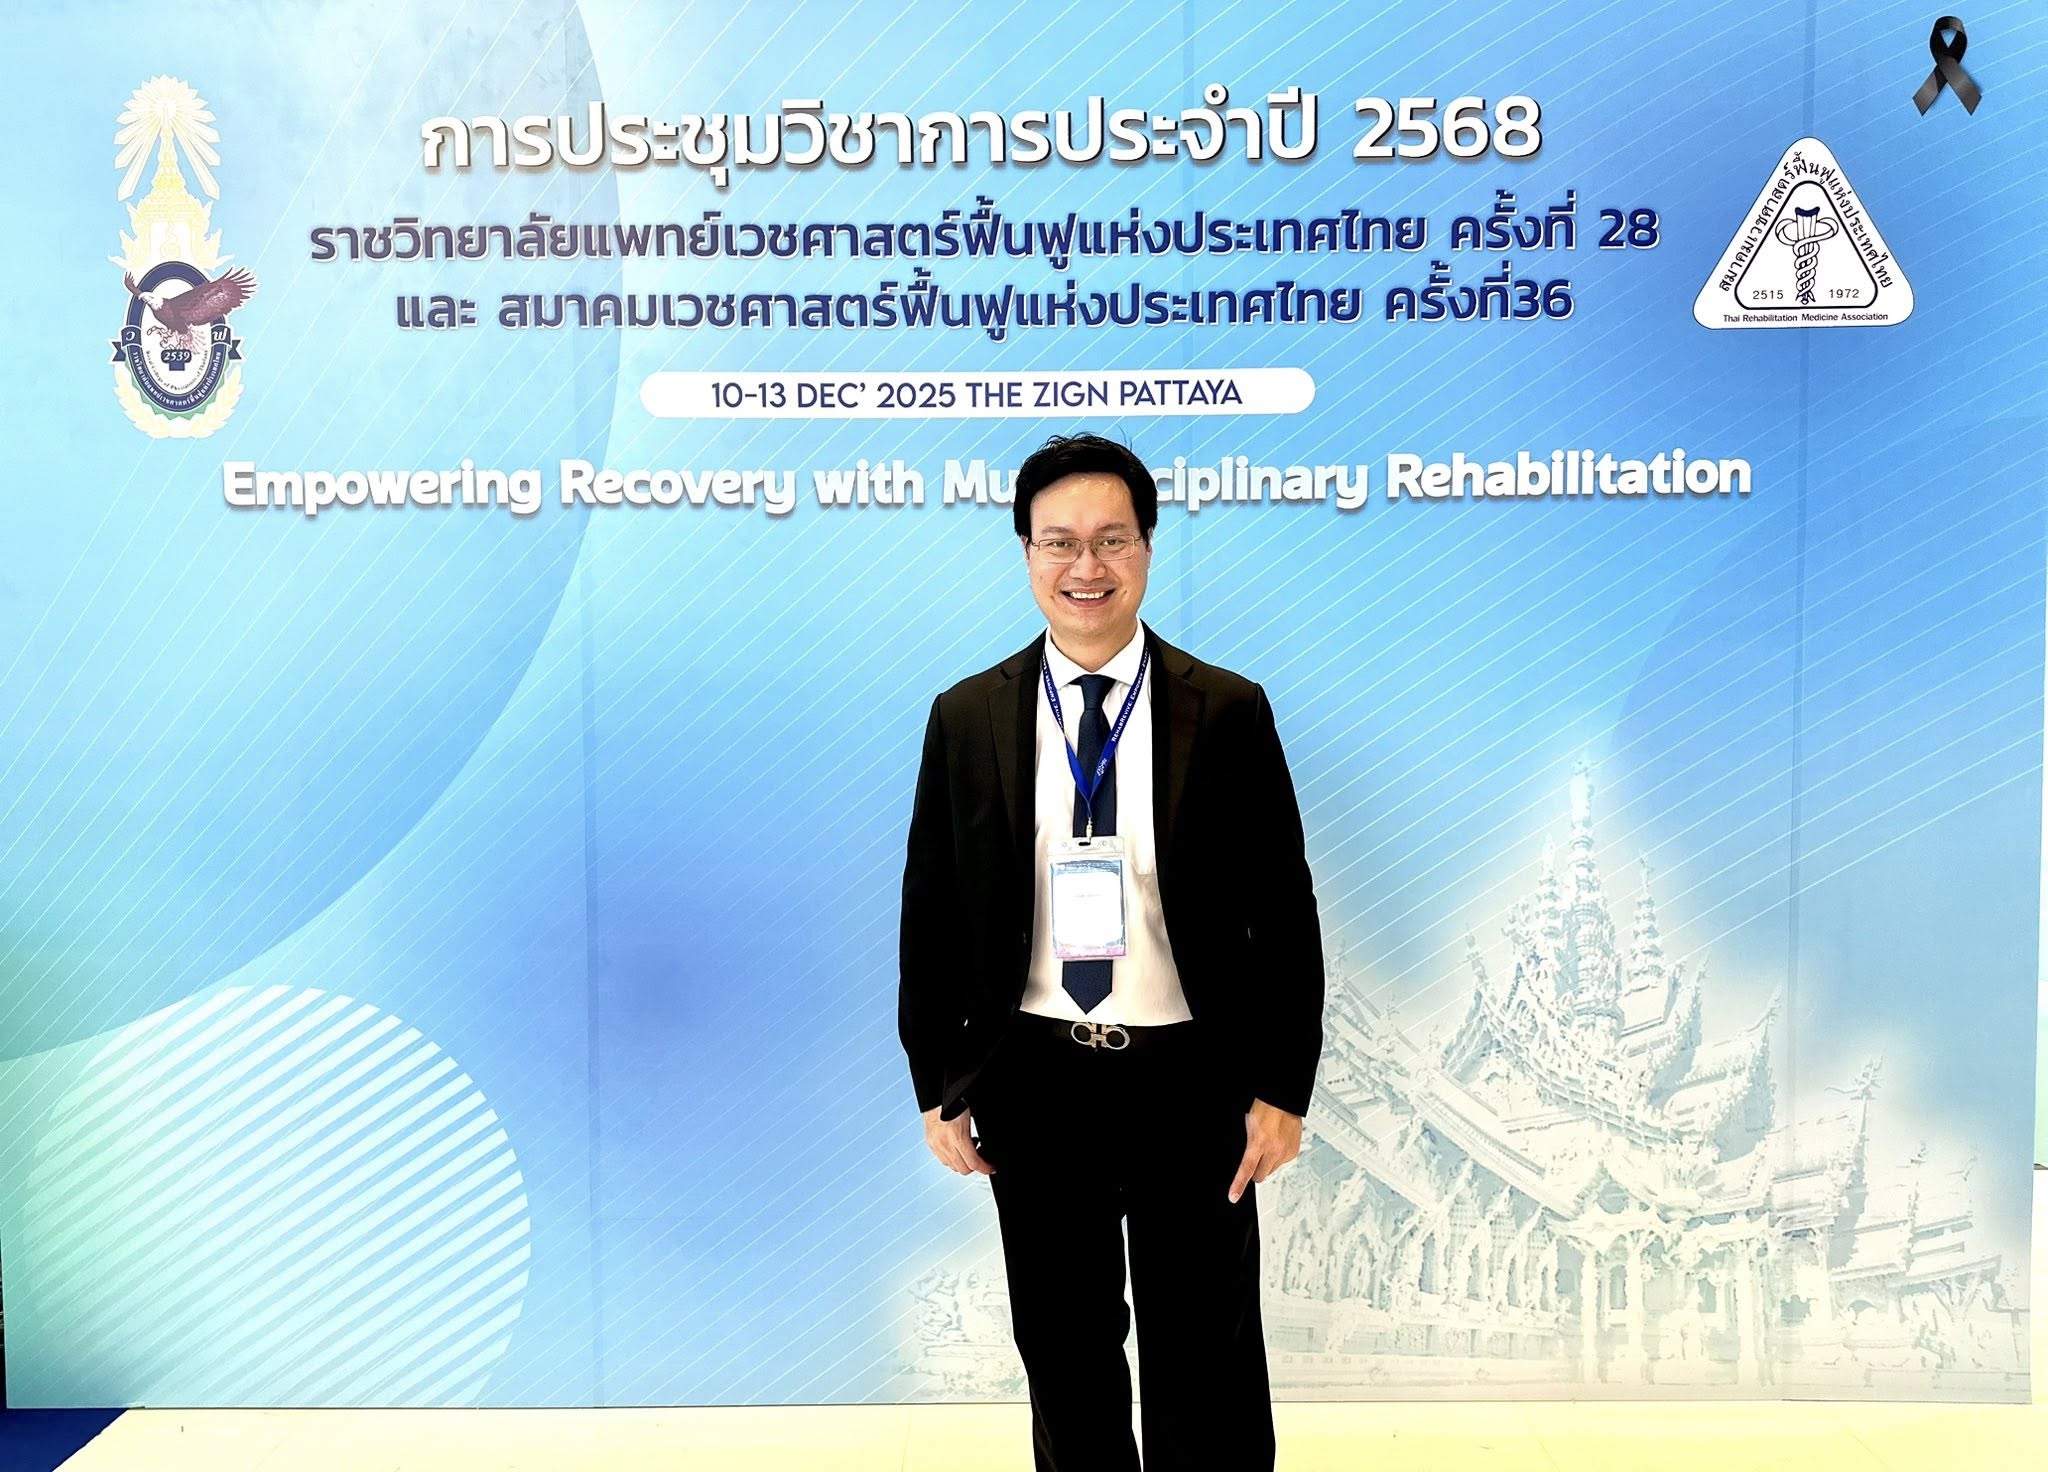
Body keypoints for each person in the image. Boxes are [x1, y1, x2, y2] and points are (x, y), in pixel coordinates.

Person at [898, 433, 1325, 1470]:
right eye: (1059, 542)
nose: (1085, 566)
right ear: (1025, 553)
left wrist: (1282, 1087)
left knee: (1204, 1355)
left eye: (1110, 540)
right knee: (1064, 1351)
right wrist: (939, 1083)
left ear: (1145, 548)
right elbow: (932, 912)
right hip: (1035, 1075)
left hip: (1190, 1078)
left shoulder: (1227, 707)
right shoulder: (966, 715)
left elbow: (1284, 909)